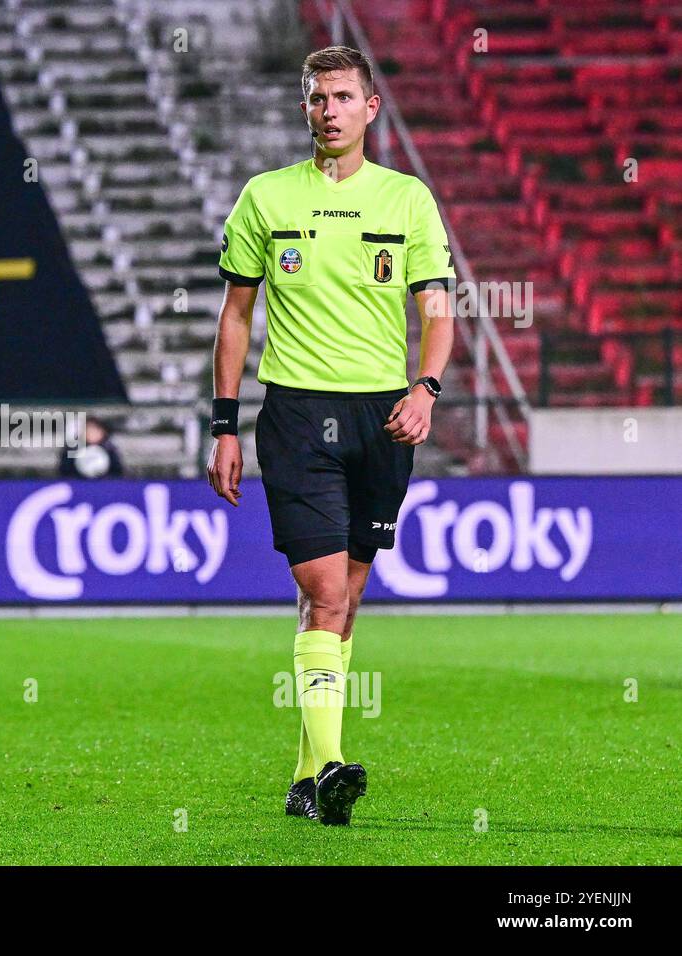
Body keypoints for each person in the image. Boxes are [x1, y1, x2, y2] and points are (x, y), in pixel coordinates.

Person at [205, 45, 455, 826]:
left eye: (344, 97)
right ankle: (337, 763)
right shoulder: (266, 196)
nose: (330, 110)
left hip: (384, 418)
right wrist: (224, 424)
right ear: (305, 108)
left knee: (345, 601)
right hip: (295, 415)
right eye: (318, 99)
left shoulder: (408, 200)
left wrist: (428, 386)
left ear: (370, 108)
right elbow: (237, 317)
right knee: (320, 590)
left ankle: (309, 773)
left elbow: (438, 311)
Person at [59, 416, 123, 478]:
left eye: (95, 430)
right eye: (88, 430)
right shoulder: (72, 449)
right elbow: (65, 471)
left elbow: (117, 471)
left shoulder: (110, 450)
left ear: (103, 432)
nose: (91, 433)